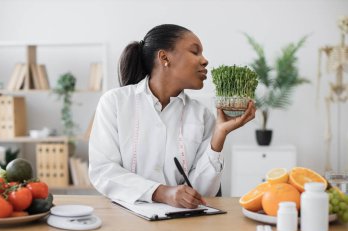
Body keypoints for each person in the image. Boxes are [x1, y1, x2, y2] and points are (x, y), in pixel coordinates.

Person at [88, 24, 256, 209]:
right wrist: (161, 192)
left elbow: (201, 193)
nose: (205, 61)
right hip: (126, 223)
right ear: (164, 57)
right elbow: (103, 171)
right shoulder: (115, 102)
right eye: (195, 52)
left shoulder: (203, 116)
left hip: (182, 225)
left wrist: (220, 135)